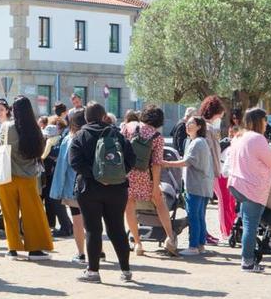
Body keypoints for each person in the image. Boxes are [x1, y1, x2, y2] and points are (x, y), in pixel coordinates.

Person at [70, 102, 136, 284]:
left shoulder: (80, 136)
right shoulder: (117, 134)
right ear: (104, 115)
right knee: (117, 228)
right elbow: (131, 159)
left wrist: (96, 176)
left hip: (89, 189)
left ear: (86, 118)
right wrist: (118, 175)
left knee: (93, 229)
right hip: (117, 188)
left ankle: (93, 271)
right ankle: (126, 270)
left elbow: (75, 162)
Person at [227, 108, 271, 273]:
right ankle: (248, 262)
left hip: (237, 184)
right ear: (260, 121)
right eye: (265, 121)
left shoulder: (239, 136)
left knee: (246, 223)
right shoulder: (258, 139)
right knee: (251, 225)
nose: (267, 124)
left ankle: (248, 257)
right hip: (253, 187)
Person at [0, 96, 54, 260]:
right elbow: (39, 151)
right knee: (32, 214)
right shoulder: (35, 129)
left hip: (7, 176)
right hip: (28, 177)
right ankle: (35, 249)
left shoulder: (7, 127)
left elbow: (1, 147)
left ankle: (12, 248)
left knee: (9, 213)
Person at [122, 105, 178, 257]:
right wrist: (155, 186)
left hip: (128, 175)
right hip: (146, 176)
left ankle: (138, 243)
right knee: (160, 204)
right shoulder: (157, 137)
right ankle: (170, 238)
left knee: (129, 206)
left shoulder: (129, 127)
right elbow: (156, 163)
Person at [162, 116, 213, 256]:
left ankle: (193, 246)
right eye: (187, 123)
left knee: (193, 217)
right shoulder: (197, 141)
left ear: (199, 127)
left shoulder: (197, 143)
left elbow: (186, 162)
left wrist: (165, 163)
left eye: (191, 123)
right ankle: (201, 245)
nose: (187, 125)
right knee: (200, 216)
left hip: (196, 185)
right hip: (202, 185)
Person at [50, 109, 89, 263]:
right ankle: (99, 251)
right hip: (95, 185)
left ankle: (81, 254)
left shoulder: (70, 139)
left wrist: (57, 191)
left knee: (78, 221)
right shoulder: (94, 136)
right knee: (93, 220)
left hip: (74, 187)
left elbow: (62, 166)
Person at [199, 95, 232, 244]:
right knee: (207, 204)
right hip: (211, 171)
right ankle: (211, 233)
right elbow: (212, 153)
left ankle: (204, 233)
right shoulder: (209, 129)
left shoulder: (205, 127)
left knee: (203, 205)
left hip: (208, 171)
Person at [41, 116, 71, 237]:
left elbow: (49, 155)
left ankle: (66, 227)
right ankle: (66, 225)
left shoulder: (56, 143)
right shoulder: (56, 142)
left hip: (55, 176)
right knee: (53, 201)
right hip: (52, 176)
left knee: (56, 201)